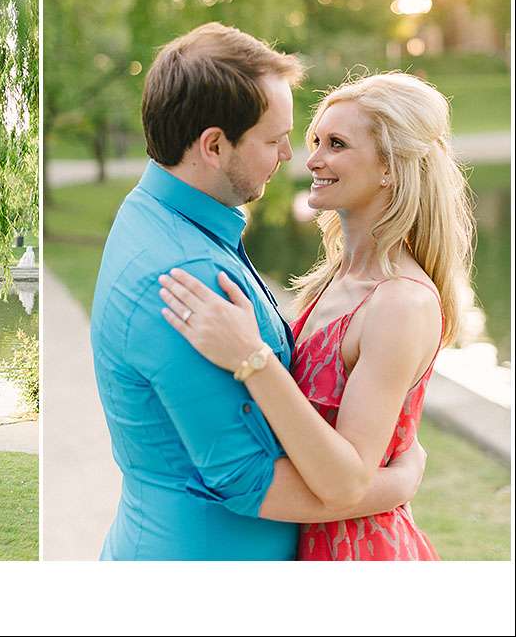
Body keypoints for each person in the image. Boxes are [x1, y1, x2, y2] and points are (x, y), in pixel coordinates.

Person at [90, 22, 427, 560]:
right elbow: (249, 481)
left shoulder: (156, 214)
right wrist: (400, 482)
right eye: (275, 140)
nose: (292, 156)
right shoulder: (190, 276)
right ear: (215, 146)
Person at [159, 72, 473, 559]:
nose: (313, 160)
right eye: (316, 141)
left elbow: (345, 476)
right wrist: (402, 477)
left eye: (337, 145)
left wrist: (250, 356)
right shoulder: (336, 278)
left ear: (390, 166)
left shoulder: (401, 302)